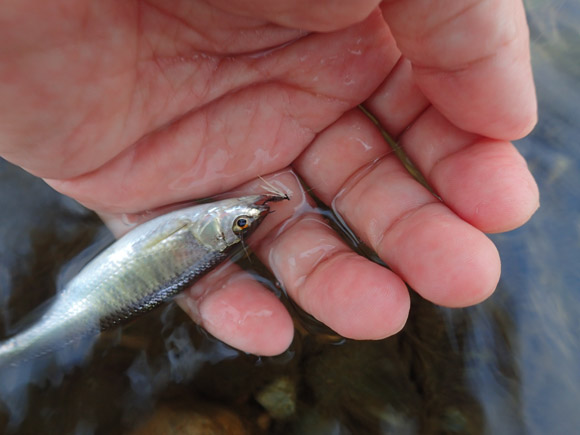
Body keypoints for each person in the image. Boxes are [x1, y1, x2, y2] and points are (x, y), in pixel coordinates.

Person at [0, 0, 539, 356]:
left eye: (240, 222)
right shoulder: (205, 232)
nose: (245, 214)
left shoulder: (202, 229)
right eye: (240, 221)